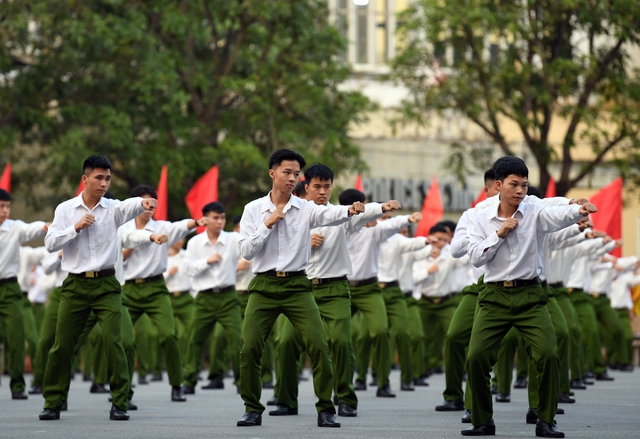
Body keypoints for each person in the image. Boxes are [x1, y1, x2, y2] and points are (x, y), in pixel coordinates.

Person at [463, 156, 596, 438]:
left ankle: (545, 420)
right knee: (475, 357)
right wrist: (499, 234)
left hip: (530, 295)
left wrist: (578, 209)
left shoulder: (534, 210)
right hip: (493, 296)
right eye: (514, 184)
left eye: (524, 185)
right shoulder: (480, 215)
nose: (521, 190)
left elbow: (555, 214)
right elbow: (475, 258)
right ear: (498, 185)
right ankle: (482, 420)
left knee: (548, 353)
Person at [236, 149, 366, 428]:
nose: (292, 178)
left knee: (319, 346)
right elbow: (246, 251)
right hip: (263, 285)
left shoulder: (305, 208)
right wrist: (267, 225)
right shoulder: (253, 210)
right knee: (249, 348)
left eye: (296, 174)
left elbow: (330, 214)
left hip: (298, 286)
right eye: (287, 172)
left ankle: (325, 408)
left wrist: (349, 209)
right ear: (272, 173)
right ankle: (252, 408)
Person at [270, 165, 401, 418]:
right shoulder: (290, 214)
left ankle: (345, 398)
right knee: (285, 342)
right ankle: (286, 400)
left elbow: (359, 215)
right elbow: (277, 246)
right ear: (306, 187)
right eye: (317, 186)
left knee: (340, 341)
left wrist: (382, 207)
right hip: (299, 288)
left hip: (334, 289)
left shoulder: (339, 214)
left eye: (327, 186)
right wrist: (304, 243)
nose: (322, 192)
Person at [39, 155, 156, 421]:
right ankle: (53, 402)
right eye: (98, 178)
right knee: (62, 346)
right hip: (75, 285)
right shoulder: (66, 209)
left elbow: (131, 205)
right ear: (85, 179)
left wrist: (144, 202)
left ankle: (120, 402)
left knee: (115, 342)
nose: (104, 183)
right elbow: (50, 243)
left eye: (108, 178)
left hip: (106, 285)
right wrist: (75, 228)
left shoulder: (113, 209)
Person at [119, 184, 208, 402]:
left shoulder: (162, 226)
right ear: (134, 205)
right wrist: (142, 238)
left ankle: (177, 385)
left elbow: (182, 226)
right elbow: (120, 257)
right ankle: (123, 393)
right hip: (129, 288)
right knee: (125, 341)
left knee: (169, 335)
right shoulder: (122, 228)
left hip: (156, 289)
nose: (148, 206)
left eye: (152, 203)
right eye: (144, 202)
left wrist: (196, 222)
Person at [181, 201, 242, 394]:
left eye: (222, 218)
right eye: (216, 218)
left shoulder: (233, 239)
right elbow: (188, 269)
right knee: (195, 340)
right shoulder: (194, 243)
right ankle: (189, 381)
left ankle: (243, 382)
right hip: (204, 298)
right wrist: (207, 261)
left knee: (238, 339)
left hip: (228, 296)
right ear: (206, 220)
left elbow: (250, 250)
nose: (220, 221)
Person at [0, 188, 48, 400]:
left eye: (7, 206)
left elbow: (32, 229)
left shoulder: (15, 228)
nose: (5, 210)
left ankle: (17, 385)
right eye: (1, 206)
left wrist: (46, 226)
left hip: (10, 289)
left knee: (17, 338)